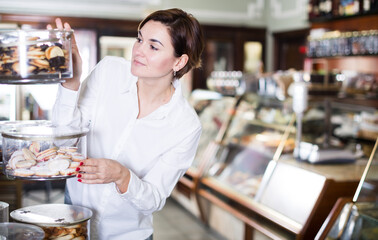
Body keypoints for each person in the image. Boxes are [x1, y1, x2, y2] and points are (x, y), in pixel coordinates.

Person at [50, 8, 204, 240]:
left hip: (128, 234)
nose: (138, 51)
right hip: (74, 219)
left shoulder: (186, 125)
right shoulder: (109, 72)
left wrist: (122, 176)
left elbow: (153, 199)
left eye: (153, 46)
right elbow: (62, 141)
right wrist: (71, 83)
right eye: (139, 39)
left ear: (179, 61)